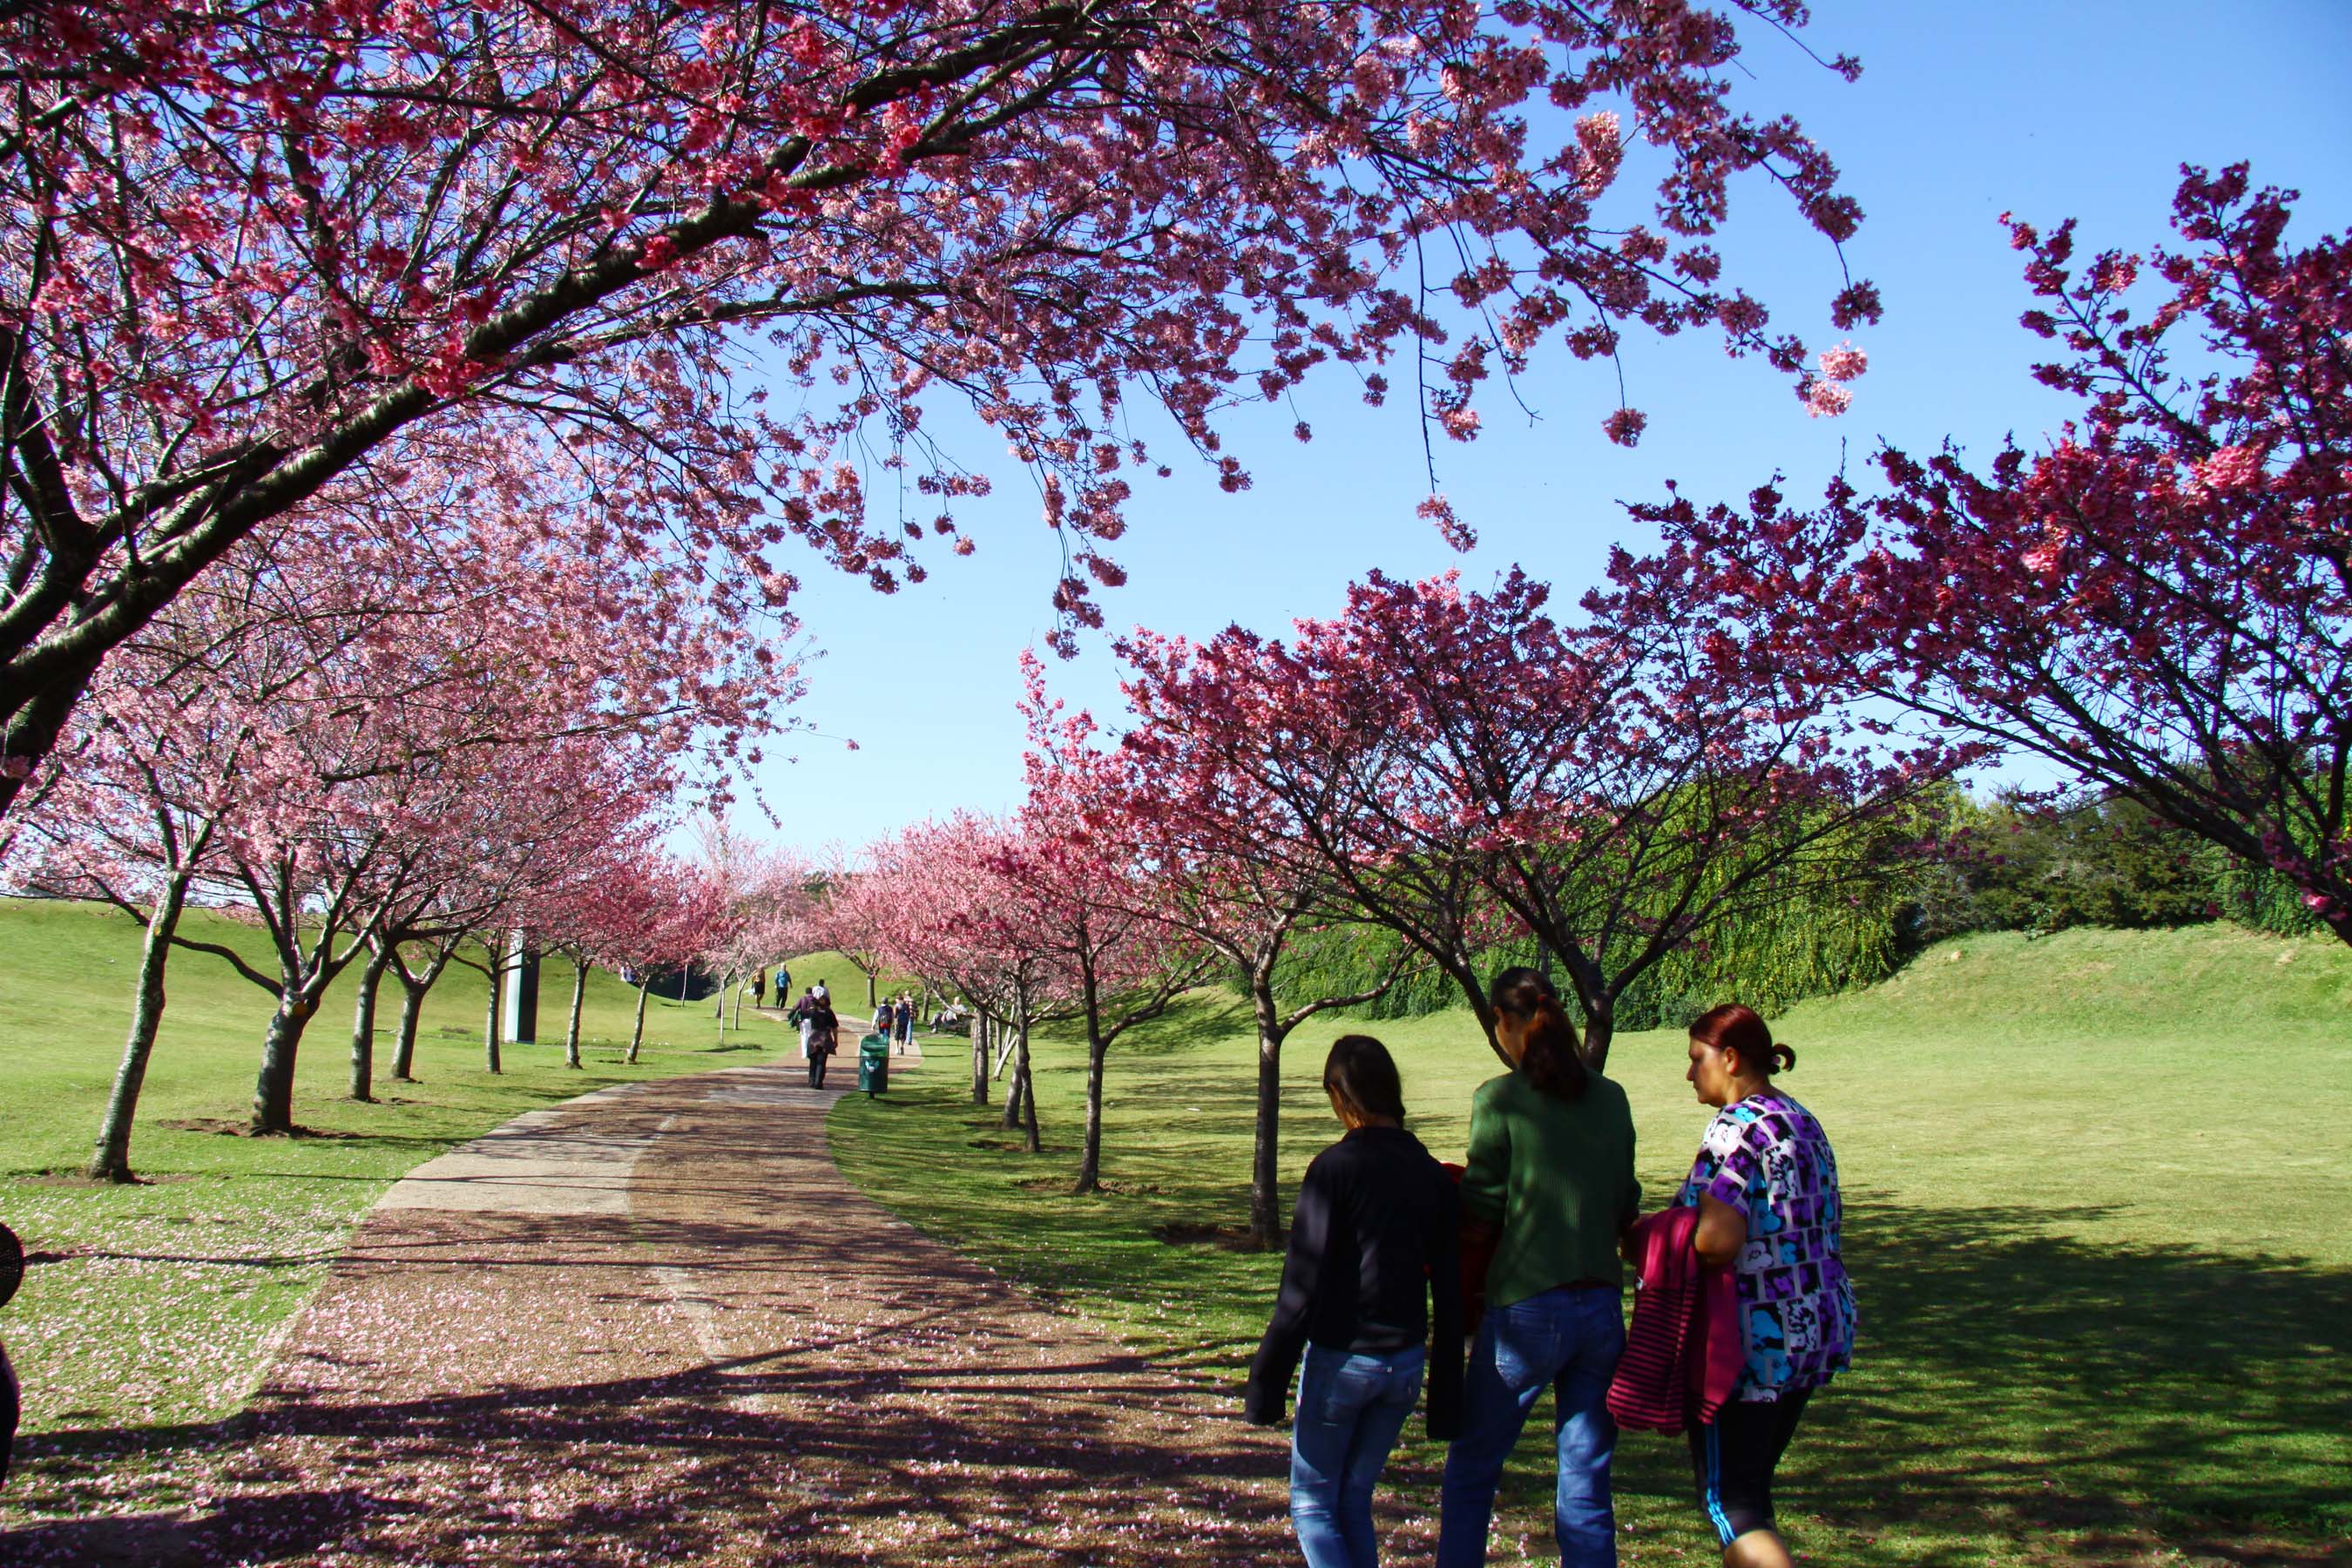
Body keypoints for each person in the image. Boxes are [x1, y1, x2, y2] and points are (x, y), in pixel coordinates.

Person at [1437, 968, 1641, 1568]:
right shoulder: (1611, 1096)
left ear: (1505, 1022)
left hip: (1526, 1305)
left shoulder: (1499, 1099)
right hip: (1602, 1306)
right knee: (1586, 1483)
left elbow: (1482, 1204)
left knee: (1473, 1469)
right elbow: (1624, 1200)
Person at [1247, 1034, 1463, 1568]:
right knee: (1352, 1499)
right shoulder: (1430, 1172)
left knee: (1313, 1503)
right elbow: (1450, 1286)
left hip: (1345, 1358)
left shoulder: (1334, 1170)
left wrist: (1266, 1382)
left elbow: (1301, 1289)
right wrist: (1446, 1394)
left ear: (1341, 1095)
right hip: (1405, 1363)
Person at [1676, 1004, 1854, 1568]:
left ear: (1729, 1058)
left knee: (1732, 1501)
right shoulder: (1798, 1117)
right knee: (1752, 1488)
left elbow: (1717, 1240)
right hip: (1815, 1325)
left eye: (1695, 1060)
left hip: (1755, 1340)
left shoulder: (1733, 1129)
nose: (1689, 1074)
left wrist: (1659, 1239)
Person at [806, 997, 839, 1088]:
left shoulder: (813, 1012)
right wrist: (836, 1040)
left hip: (814, 1038)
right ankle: (818, 1082)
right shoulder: (829, 1013)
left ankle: (812, 1081)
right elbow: (834, 1028)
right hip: (825, 1038)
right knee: (821, 1061)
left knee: (813, 1060)